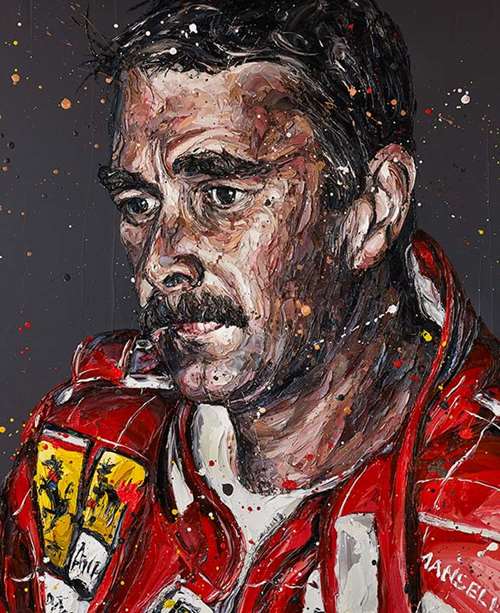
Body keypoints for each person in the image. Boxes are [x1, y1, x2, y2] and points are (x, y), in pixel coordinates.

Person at [1, 1, 498, 611]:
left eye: (221, 195)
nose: (160, 260)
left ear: (374, 208)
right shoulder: (80, 448)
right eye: (139, 204)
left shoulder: (476, 520)